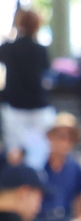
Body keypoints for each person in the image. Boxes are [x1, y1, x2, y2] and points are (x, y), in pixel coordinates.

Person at [0, 9, 54, 169]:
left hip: (15, 107)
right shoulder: (41, 50)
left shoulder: (8, 48)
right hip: (37, 108)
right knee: (37, 154)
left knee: (15, 153)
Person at [33, 112, 81, 221]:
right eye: (61, 136)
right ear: (50, 137)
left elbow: (79, 197)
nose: (65, 142)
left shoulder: (75, 167)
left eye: (70, 138)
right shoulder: (38, 165)